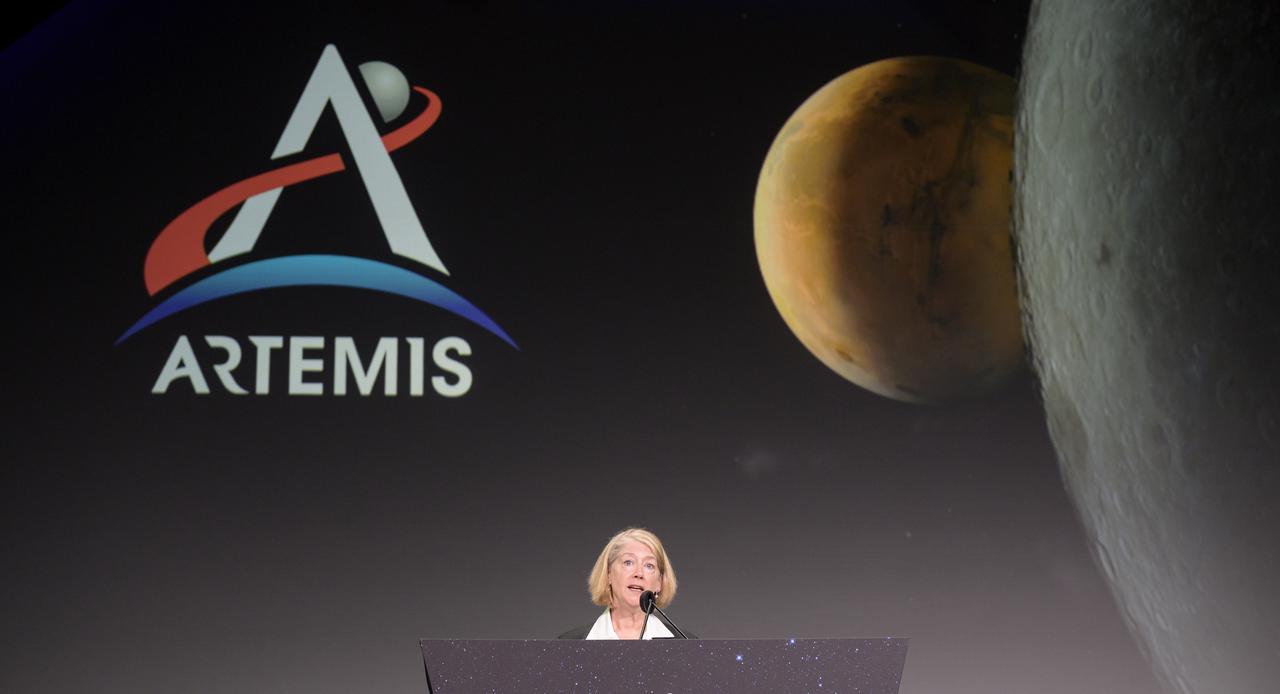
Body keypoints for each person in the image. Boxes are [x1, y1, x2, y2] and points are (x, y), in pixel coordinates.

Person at [558, 527, 691, 639]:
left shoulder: (687, 646)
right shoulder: (568, 644)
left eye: (649, 566)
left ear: (659, 582)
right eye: (628, 562)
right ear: (608, 573)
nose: (639, 573)